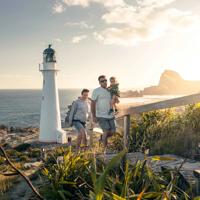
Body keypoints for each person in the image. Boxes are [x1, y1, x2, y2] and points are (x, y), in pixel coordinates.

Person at [91, 75, 116, 148]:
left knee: (113, 132)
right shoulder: (96, 91)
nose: (104, 82)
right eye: (102, 81)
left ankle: (102, 138)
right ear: (99, 82)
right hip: (101, 116)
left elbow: (114, 100)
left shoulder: (110, 90)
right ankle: (104, 150)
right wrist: (93, 116)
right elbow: (93, 103)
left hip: (110, 115)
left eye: (105, 80)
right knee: (106, 131)